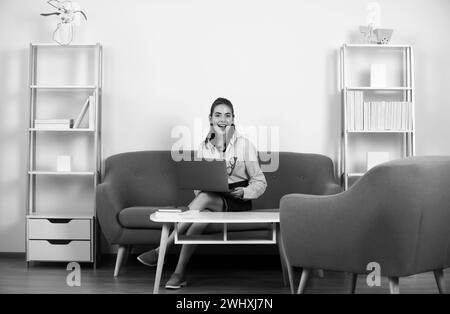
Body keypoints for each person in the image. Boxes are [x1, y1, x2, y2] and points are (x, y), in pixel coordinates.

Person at [137, 97, 267, 289]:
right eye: (218, 115)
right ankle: (178, 273)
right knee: (200, 218)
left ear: (233, 119)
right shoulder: (203, 147)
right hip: (212, 199)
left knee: (204, 199)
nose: (222, 119)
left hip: (238, 200)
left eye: (227, 115)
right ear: (210, 118)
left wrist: (245, 191)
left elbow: (260, 181)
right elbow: (199, 185)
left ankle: (161, 250)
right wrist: (208, 192)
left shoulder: (245, 145)